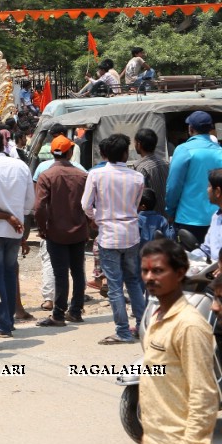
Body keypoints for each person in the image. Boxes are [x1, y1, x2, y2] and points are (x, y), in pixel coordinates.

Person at [140, 238, 217, 444]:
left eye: (159, 270)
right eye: (145, 270)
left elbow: (204, 396)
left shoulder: (189, 326)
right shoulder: (158, 316)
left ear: (181, 273)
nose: (150, 277)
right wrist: (149, 438)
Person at [83, 133, 147, 345]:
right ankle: (141, 326)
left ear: (103, 154)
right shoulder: (137, 177)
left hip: (108, 235)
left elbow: (85, 205)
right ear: (125, 152)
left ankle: (122, 331)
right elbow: (136, 204)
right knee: (134, 282)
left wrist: (95, 218)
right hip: (131, 233)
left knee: (115, 287)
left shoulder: (96, 175)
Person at [33, 135, 90, 328]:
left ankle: (58, 314)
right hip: (79, 230)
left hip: (55, 231)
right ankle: (75, 311)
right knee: (78, 272)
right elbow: (90, 204)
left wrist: (42, 228)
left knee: (60, 274)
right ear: (70, 152)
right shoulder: (82, 176)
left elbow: (39, 207)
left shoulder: (46, 176)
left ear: (52, 153)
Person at [0, 130, 32, 337]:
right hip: (15, 227)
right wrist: (19, 215)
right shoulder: (20, 165)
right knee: (9, 272)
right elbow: (30, 201)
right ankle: (7, 321)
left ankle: (4, 323)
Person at [167, 111, 222, 242]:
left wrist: (170, 211)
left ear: (190, 129)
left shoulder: (183, 150)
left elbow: (173, 186)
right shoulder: (220, 152)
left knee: (190, 261)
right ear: (210, 129)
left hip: (188, 219)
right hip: (216, 219)